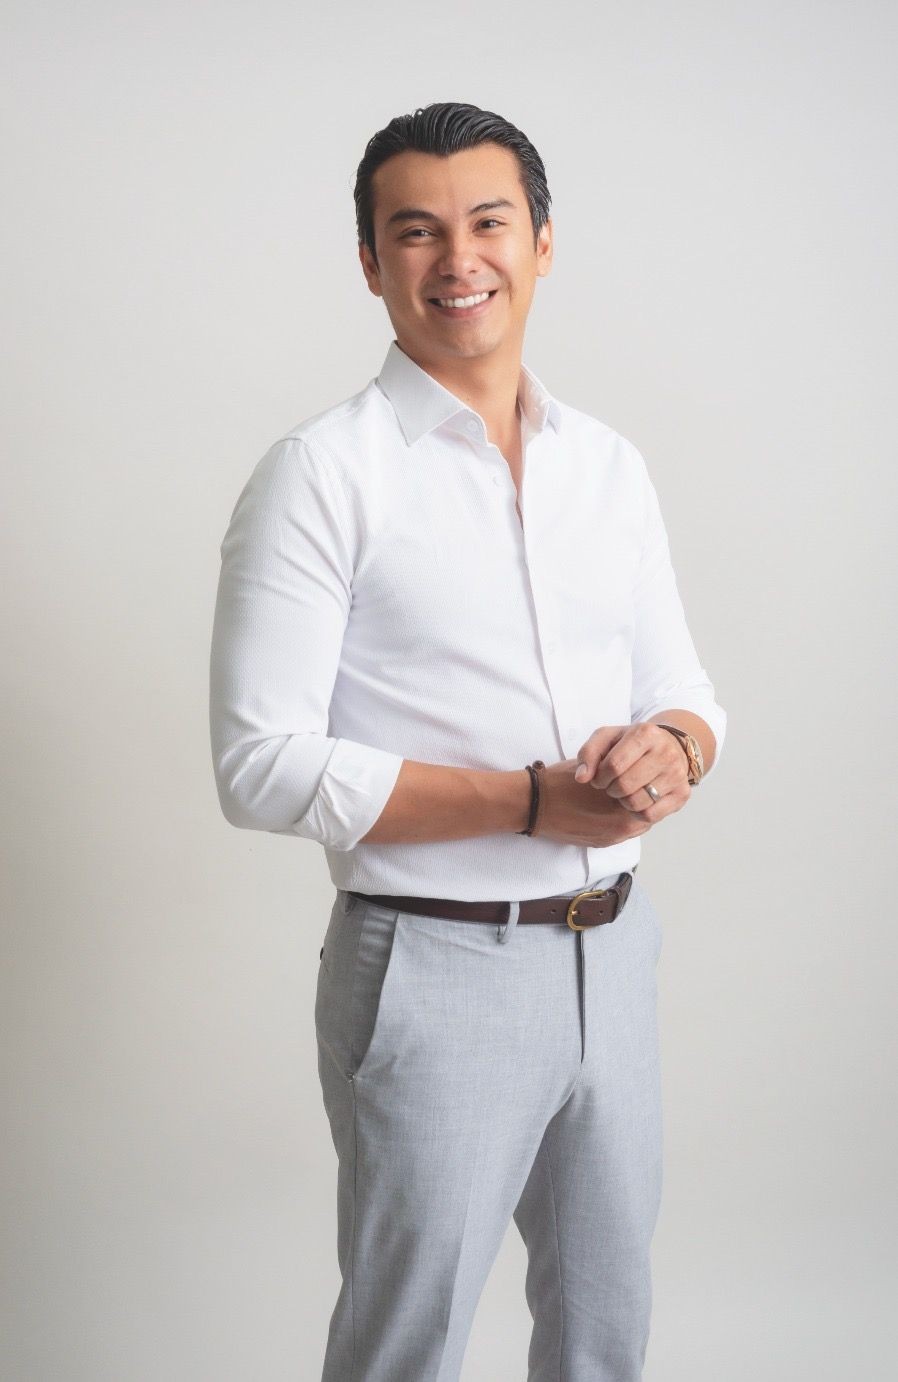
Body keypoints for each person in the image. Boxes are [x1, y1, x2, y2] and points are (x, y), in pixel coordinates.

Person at [209, 101, 726, 1382]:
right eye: (416, 230)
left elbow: (685, 685)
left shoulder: (607, 465)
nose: (459, 258)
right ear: (372, 259)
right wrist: (530, 801)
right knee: (406, 1343)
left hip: (613, 954)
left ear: (542, 241)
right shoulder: (320, 475)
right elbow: (259, 761)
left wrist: (674, 746)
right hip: (431, 967)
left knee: (606, 1329)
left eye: (489, 221)